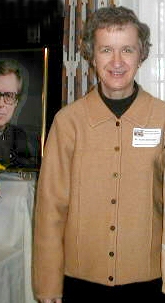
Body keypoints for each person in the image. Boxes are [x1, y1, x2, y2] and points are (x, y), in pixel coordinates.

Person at [32, 6, 165, 302]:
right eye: (106, 50)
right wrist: (47, 284)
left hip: (147, 279)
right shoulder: (67, 122)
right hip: (80, 282)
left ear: (141, 54)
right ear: (92, 55)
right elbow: (50, 210)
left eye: (127, 50)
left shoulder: (162, 118)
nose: (117, 62)